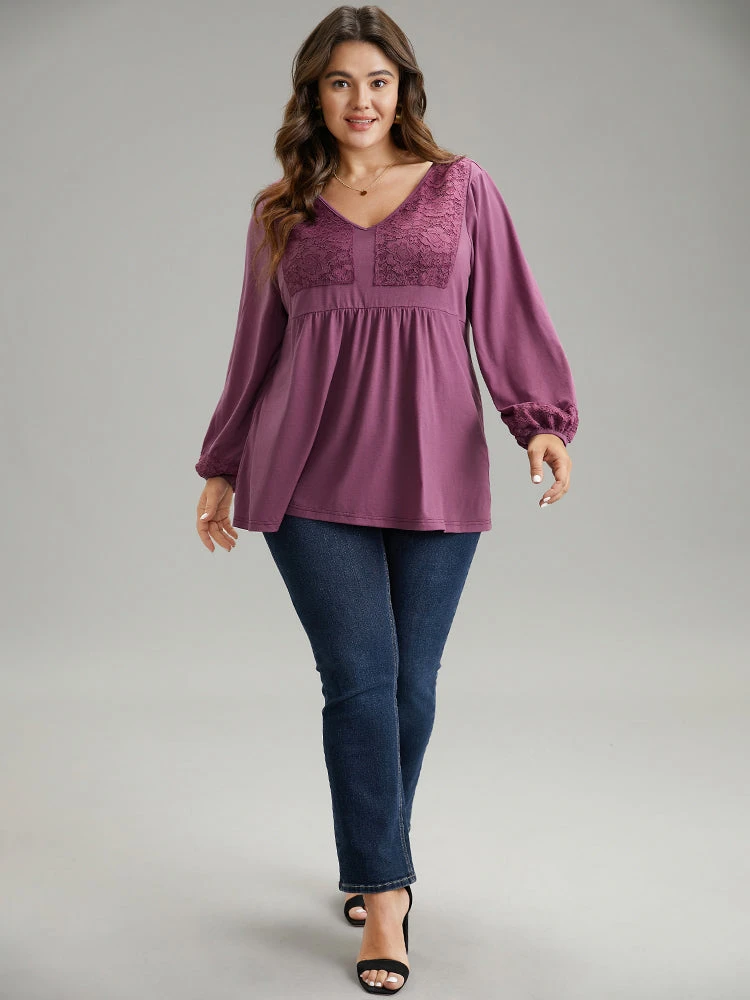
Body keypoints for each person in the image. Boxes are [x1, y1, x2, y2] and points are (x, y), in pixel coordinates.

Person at [194, 7, 579, 994]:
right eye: (339, 82)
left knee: (413, 687)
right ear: (313, 95)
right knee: (360, 681)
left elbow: (507, 313)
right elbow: (255, 346)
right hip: (305, 470)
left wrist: (538, 421)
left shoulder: (462, 189)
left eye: (377, 80)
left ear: (404, 89)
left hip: (434, 464)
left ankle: (378, 851)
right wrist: (222, 462)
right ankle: (385, 893)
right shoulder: (282, 206)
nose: (360, 100)